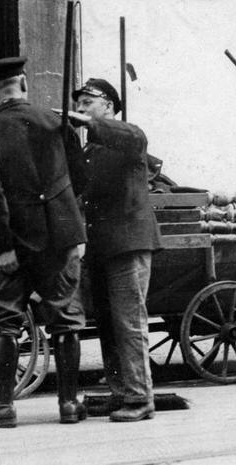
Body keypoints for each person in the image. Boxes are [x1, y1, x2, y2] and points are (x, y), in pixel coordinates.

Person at [0, 56, 90, 428]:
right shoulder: (57, 123)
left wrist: (2, 245)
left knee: (5, 321)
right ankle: (69, 405)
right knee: (65, 320)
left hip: (15, 244)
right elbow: (80, 177)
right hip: (60, 239)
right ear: (23, 82)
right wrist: (69, 226)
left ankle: (3, 407)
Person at [68, 77, 163, 423]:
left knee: (129, 323)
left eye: (87, 102)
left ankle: (140, 397)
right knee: (109, 324)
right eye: (77, 105)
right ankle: (122, 392)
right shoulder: (90, 151)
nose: (80, 109)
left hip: (128, 245)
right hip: (102, 247)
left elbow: (134, 136)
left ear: (107, 105)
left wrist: (91, 124)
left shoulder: (127, 140)